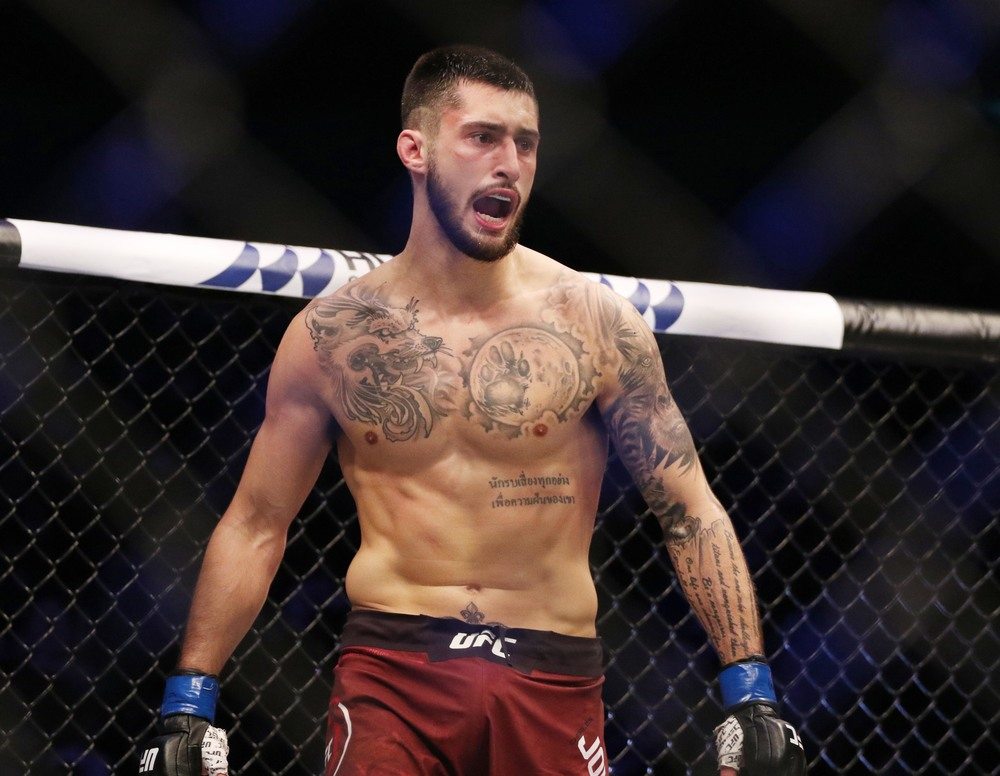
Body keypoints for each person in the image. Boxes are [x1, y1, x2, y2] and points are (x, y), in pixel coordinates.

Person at [138, 45, 805, 776]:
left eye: (526, 143)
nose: (509, 163)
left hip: (551, 671)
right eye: (483, 136)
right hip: (392, 671)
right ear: (415, 149)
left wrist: (752, 693)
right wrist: (189, 703)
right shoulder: (336, 335)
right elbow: (257, 522)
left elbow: (688, 509)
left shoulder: (593, 322)